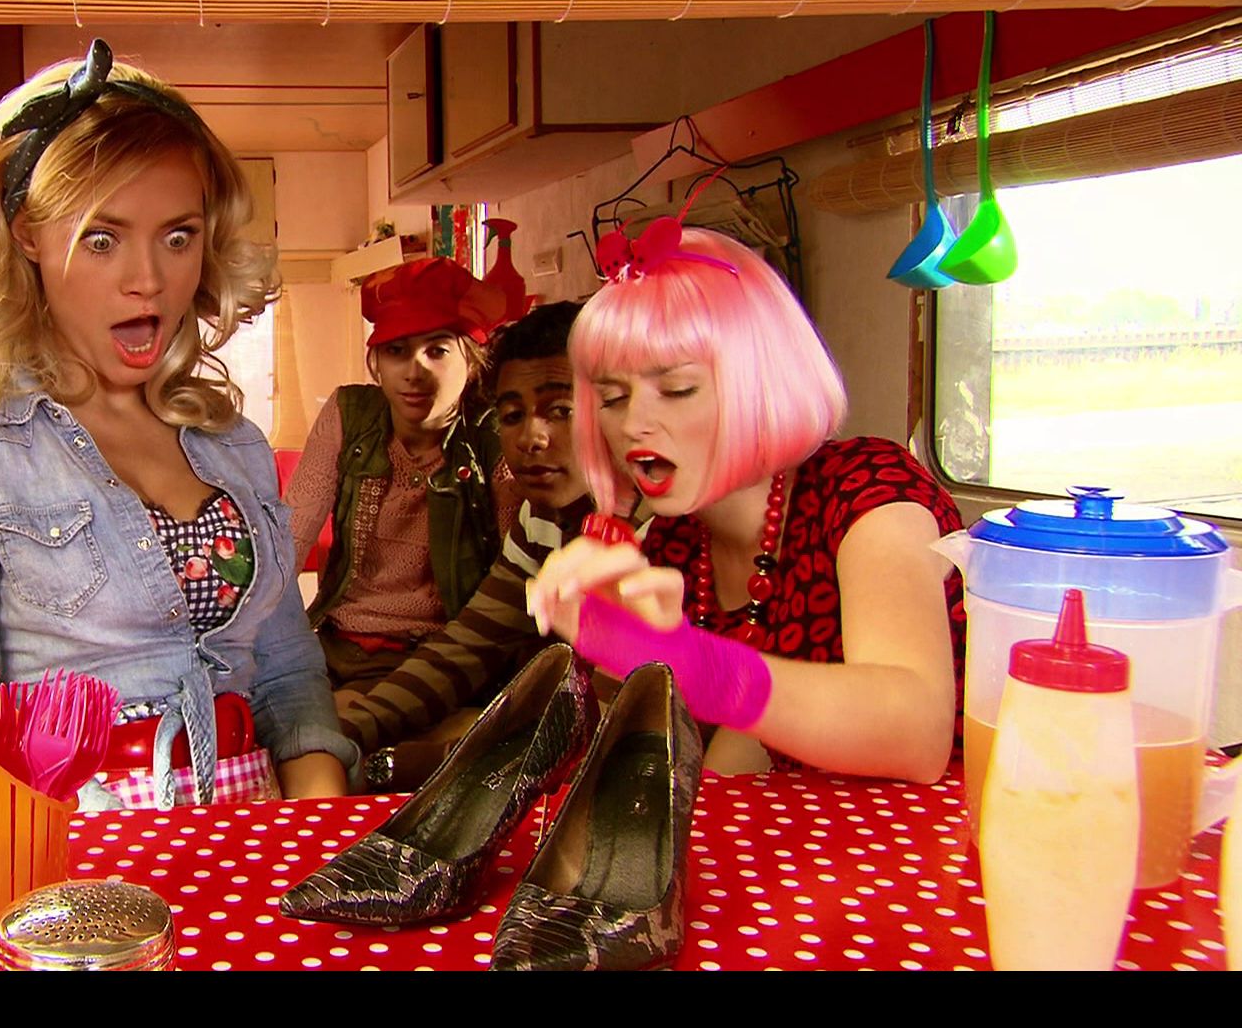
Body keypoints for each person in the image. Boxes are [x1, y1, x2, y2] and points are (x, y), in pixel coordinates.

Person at [0, 39, 352, 809]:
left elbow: (289, 677)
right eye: (102, 238)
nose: (149, 280)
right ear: (26, 234)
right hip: (72, 855)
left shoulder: (232, 444)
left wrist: (318, 828)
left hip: (256, 838)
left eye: (178, 236)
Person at [527, 222, 966, 783]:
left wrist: (695, 665)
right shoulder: (674, 544)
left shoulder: (869, 493)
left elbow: (915, 733)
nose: (634, 423)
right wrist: (614, 654)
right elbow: (756, 737)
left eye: (678, 389)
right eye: (612, 397)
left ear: (760, 381)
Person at [339, 301, 605, 787]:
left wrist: (400, 764)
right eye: (513, 415)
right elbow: (470, 643)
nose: (532, 438)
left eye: (561, 411)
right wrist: (341, 737)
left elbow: (616, 729)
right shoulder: (541, 517)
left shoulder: (654, 535)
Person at [286, 256, 520, 707]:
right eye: (396, 350)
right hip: (338, 648)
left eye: (437, 350)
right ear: (376, 361)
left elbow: (512, 580)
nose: (414, 371)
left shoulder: (491, 436)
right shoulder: (349, 416)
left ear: (471, 361)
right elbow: (288, 543)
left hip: (444, 659)